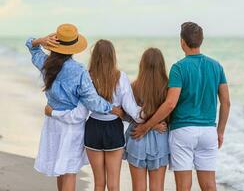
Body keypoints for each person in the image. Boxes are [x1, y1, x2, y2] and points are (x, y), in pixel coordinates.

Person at [44, 40, 166, 191]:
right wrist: (153, 120)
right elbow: (134, 112)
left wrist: (54, 112)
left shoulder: (86, 76)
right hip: (113, 129)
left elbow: (81, 110)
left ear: (94, 57)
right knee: (114, 185)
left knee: (99, 184)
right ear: (113, 56)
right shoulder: (120, 77)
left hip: (93, 129)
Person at [132, 22, 231, 191]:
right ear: (201, 41)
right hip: (208, 131)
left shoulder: (179, 68)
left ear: (182, 42)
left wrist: (146, 127)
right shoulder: (216, 66)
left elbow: (170, 104)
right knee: (209, 185)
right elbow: (226, 102)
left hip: (183, 132)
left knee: (183, 187)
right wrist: (220, 131)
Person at [26, 24, 120, 191]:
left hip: (52, 123)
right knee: (68, 170)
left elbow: (31, 47)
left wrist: (40, 40)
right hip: (71, 125)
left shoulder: (45, 64)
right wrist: (112, 108)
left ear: (54, 43)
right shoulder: (79, 71)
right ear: (74, 48)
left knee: (61, 170)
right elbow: (93, 102)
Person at [124, 48, 169, 191]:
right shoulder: (168, 87)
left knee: (138, 188)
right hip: (160, 139)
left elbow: (128, 114)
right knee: (157, 188)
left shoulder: (134, 86)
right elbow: (169, 114)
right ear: (162, 65)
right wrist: (155, 125)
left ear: (142, 64)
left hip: (137, 137)